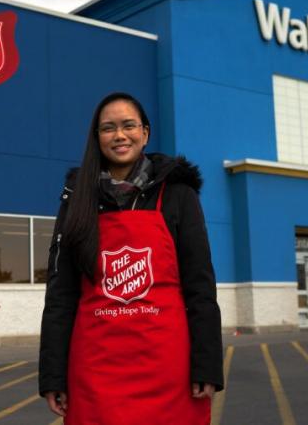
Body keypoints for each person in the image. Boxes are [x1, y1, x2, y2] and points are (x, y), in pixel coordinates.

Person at [39, 92, 223, 425]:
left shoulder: (178, 194)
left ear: (146, 133)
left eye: (128, 125)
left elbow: (200, 286)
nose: (119, 135)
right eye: (108, 128)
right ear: (97, 138)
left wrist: (207, 365)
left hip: (168, 368)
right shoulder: (76, 198)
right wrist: (53, 374)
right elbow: (61, 292)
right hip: (95, 370)